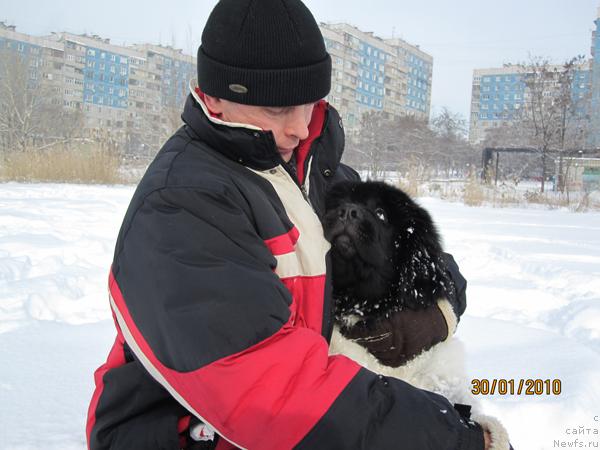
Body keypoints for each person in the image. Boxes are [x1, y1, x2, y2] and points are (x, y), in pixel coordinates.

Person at [86, 0, 501, 448]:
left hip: (309, 416)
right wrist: (455, 442)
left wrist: (431, 317)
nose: (301, 126)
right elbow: (270, 392)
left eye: (309, 102)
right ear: (214, 97)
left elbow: (426, 258)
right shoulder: (182, 202)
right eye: (277, 108)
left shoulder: (321, 174)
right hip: (180, 430)